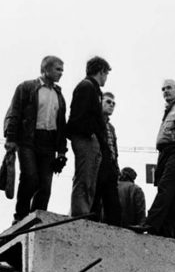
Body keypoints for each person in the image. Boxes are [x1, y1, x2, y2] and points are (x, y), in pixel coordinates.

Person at [4, 55, 68, 224]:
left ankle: (36, 218)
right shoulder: (26, 87)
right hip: (28, 140)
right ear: (45, 69)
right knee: (30, 178)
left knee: (45, 186)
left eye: (62, 70)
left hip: (49, 143)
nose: (61, 73)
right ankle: (20, 217)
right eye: (58, 69)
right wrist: (11, 139)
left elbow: (61, 125)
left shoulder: (59, 95)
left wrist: (62, 151)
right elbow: (15, 113)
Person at [139, 79, 175, 241]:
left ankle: (150, 223)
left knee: (166, 186)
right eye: (163, 89)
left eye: (169, 88)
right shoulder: (169, 110)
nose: (165, 91)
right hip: (165, 153)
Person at [67, 56, 110, 217]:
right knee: (84, 177)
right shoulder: (86, 86)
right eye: (106, 74)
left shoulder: (93, 89)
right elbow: (78, 115)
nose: (106, 78)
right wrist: (90, 133)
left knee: (90, 178)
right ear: (101, 71)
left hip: (90, 139)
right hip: (85, 138)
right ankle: (80, 212)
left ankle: (83, 211)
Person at [90, 92, 121, 225]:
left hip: (111, 165)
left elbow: (114, 148)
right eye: (108, 102)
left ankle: (115, 226)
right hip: (98, 162)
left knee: (113, 200)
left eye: (113, 103)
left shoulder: (111, 127)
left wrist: (116, 166)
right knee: (95, 196)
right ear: (100, 102)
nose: (111, 105)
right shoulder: (94, 121)